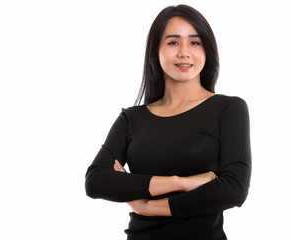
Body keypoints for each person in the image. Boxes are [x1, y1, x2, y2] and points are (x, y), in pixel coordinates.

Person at [85, 4, 251, 240]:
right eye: (173, 42)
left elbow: (234, 189)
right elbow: (96, 181)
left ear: (207, 50)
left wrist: (148, 207)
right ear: (156, 51)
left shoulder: (227, 109)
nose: (184, 52)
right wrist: (180, 183)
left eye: (195, 42)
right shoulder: (132, 118)